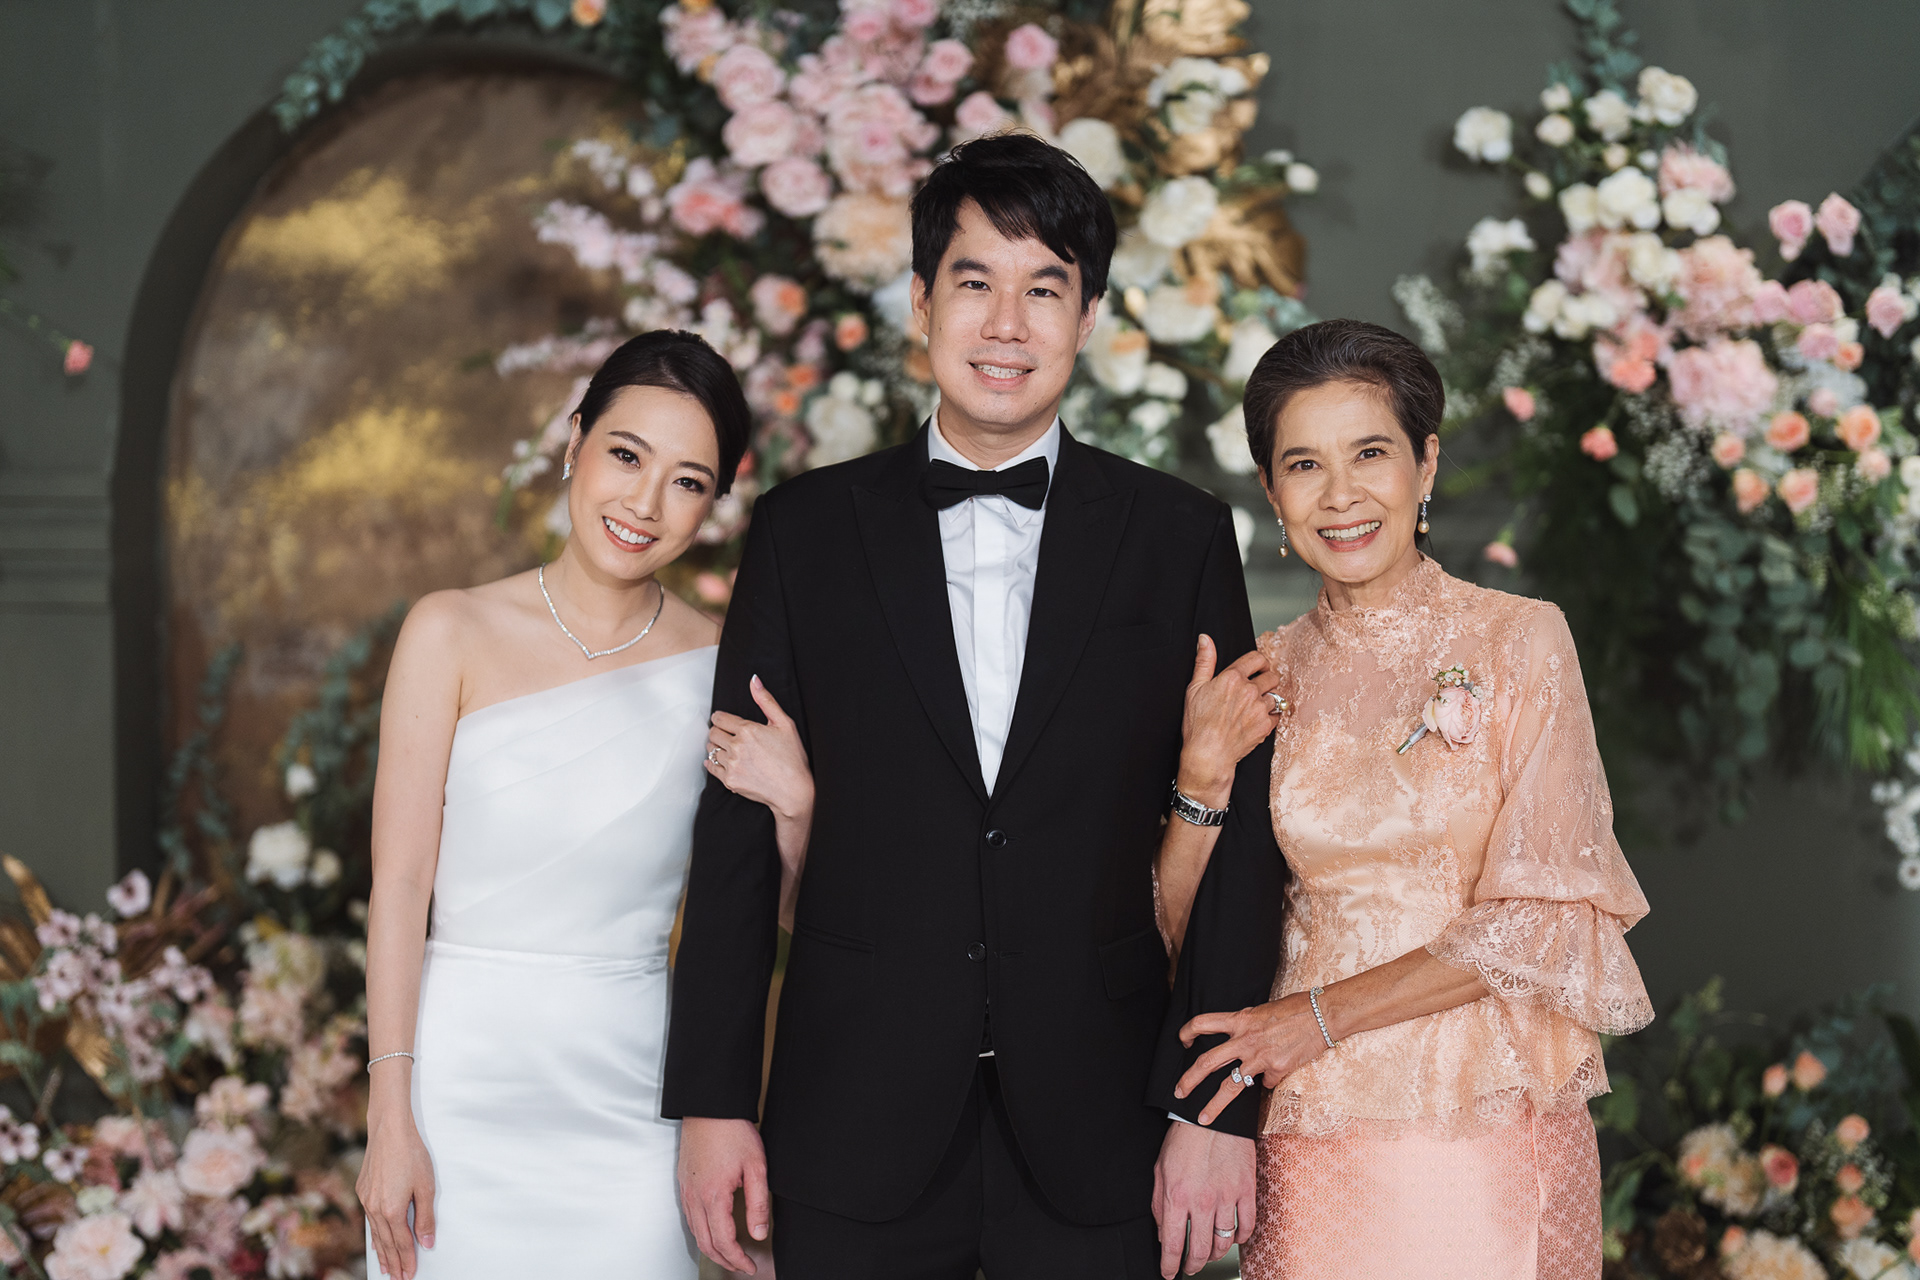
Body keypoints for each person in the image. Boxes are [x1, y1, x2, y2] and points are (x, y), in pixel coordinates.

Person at [665, 132, 1290, 1280]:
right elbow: (737, 827)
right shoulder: (804, 532)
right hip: (851, 1113)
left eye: (1044, 289)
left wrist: (1213, 1110)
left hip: (1109, 1121)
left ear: (1088, 317)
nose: (1007, 324)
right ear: (921, 302)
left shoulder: (1179, 535)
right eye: (975, 282)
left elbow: (1240, 834)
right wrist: (714, 1099)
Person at [1159, 318, 1654, 1280]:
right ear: (1270, 490)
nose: (1340, 495)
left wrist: (1317, 1016)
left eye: (1370, 454)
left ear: (1425, 465)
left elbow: (1547, 918)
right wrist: (1200, 781)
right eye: (1304, 465)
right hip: (1304, 1127)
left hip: (1480, 1127)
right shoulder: (1262, 677)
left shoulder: (1519, 639)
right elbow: (1179, 935)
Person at [356, 330, 813, 1280]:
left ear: (716, 504)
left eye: (687, 482)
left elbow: (786, 918)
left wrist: (799, 809)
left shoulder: (724, 668)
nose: (645, 504)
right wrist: (389, 1115)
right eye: (626, 455)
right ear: (575, 442)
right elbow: (398, 885)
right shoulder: (449, 631)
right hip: (454, 1093)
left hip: (634, 1103)